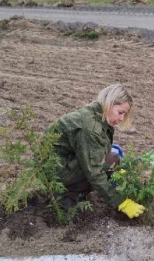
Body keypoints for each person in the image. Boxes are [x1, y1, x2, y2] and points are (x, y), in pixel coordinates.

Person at [46, 83, 145, 219]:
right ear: (109, 103)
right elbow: (94, 172)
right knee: (105, 166)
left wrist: (116, 171)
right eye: (120, 112)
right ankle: (65, 198)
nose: (122, 118)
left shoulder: (98, 115)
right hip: (52, 170)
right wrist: (121, 203)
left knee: (113, 159)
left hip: (63, 161)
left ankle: (73, 190)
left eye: (124, 114)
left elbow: (101, 151)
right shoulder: (90, 127)